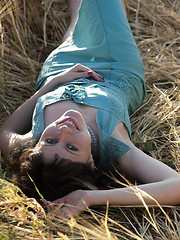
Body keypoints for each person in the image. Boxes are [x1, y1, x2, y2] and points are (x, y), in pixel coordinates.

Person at [0, 0, 180, 219]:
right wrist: (90, 197)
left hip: (62, 66)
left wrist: (53, 83)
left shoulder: (34, 149)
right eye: (72, 147)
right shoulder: (114, 145)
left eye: (50, 141)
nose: (63, 131)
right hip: (116, 64)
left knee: (80, 21)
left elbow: (4, 134)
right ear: (91, 162)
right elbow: (176, 186)